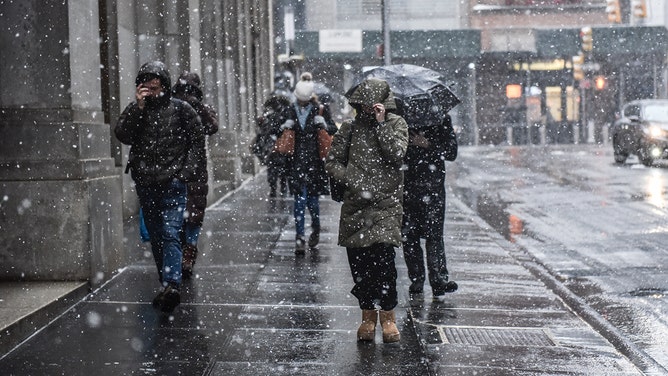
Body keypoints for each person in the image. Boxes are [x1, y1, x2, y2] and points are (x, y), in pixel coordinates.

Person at [114, 61, 205, 313]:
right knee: (156, 236)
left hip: (173, 183)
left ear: (164, 85)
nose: (152, 92)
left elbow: (198, 141)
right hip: (146, 183)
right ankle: (166, 284)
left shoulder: (181, 109)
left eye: (156, 87)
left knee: (171, 233)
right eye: (147, 87)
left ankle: (173, 284)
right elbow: (123, 134)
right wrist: (139, 107)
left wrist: (184, 174)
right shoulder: (137, 110)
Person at [325, 78, 408, 343]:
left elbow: (396, 154)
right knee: (360, 265)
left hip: (385, 205)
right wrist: (349, 177)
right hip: (356, 207)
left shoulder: (397, 124)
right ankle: (367, 317)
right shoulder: (349, 128)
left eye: (372, 105)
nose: (367, 110)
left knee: (384, 262)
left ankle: (388, 317)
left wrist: (382, 124)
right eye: (363, 105)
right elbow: (332, 160)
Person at [402, 114, 459, 300]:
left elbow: (451, 152)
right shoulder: (400, 120)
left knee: (434, 235)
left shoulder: (441, 119)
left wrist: (427, 144)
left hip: (433, 188)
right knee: (410, 236)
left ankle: (439, 280)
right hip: (408, 187)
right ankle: (417, 279)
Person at [280, 72, 337, 254]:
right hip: (295, 162)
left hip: (314, 162)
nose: (302, 104)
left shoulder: (320, 109)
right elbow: (275, 129)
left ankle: (316, 226)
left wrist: (324, 125)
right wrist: (284, 126)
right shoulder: (289, 110)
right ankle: (300, 237)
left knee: (312, 202)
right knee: (299, 201)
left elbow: (333, 129)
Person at [171, 72, 219, 279]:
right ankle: (182, 253)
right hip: (175, 167)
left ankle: (188, 253)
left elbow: (212, 127)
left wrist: (196, 106)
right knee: (180, 214)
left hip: (196, 170)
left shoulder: (202, 109)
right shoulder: (171, 107)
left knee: (194, 214)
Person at [252, 95, 292, 197]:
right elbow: (265, 129)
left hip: (278, 144)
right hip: (275, 145)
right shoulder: (275, 114)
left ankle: (277, 188)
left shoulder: (282, 114)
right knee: (276, 167)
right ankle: (277, 187)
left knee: (277, 167)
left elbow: (268, 130)